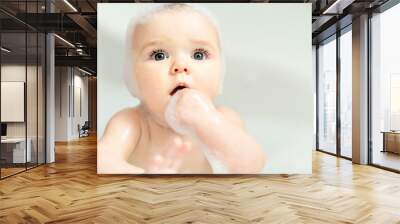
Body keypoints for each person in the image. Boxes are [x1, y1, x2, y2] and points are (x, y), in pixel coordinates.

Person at [98, 3, 266, 174]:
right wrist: (145, 178)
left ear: (220, 71)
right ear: (133, 74)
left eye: (198, 54)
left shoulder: (223, 118)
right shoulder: (132, 122)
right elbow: (103, 160)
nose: (180, 66)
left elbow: (253, 164)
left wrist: (210, 123)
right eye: (159, 55)